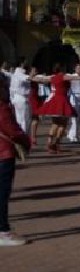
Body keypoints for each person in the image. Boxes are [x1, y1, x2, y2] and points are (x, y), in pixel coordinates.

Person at [0, 73, 33, 247]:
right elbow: (11, 129)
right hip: (3, 152)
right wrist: (26, 141)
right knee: (2, 193)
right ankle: (3, 230)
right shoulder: (2, 106)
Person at [30, 64, 80, 153]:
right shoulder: (64, 76)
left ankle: (50, 143)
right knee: (63, 124)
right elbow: (75, 77)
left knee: (55, 124)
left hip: (54, 100)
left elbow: (42, 79)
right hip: (62, 100)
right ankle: (56, 143)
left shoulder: (53, 77)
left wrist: (31, 77)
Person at [9, 61, 32, 134]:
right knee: (25, 119)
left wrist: (12, 99)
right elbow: (28, 78)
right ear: (21, 64)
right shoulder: (20, 73)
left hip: (16, 98)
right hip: (22, 98)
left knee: (19, 120)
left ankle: (20, 135)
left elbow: (11, 89)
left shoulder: (15, 74)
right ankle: (24, 136)